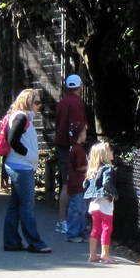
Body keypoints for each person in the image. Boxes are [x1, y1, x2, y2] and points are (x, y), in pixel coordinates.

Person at [0, 88, 51, 253]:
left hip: (18, 165)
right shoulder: (21, 116)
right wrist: (28, 154)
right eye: (36, 102)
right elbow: (13, 140)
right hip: (21, 166)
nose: (39, 106)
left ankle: (11, 241)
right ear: (27, 102)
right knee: (27, 206)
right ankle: (35, 243)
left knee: (15, 205)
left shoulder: (20, 116)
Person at [55, 74, 87, 221]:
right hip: (72, 146)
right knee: (74, 184)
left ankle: (62, 220)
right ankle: (72, 221)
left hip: (61, 146)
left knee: (66, 183)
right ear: (80, 87)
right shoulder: (77, 103)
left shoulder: (61, 103)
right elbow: (77, 126)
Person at [84, 141, 117, 264]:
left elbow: (85, 184)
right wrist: (113, 194)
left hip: (93, 203)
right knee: (107, 228)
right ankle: (105, 254)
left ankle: (92, 255)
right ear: (104, 154)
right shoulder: (108, 168)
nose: (112, 151)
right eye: (109, 150)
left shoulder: (93, 170)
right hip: (105, 202)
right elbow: (106, 183)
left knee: (95, 228)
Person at [59, 124, 89, 243]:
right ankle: (72, 234)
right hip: (77, 184)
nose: (86, 135)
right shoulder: (78, 149)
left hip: (78, 184)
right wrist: (91, 167)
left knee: (81, 209)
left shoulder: (77, 148)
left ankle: (80, 232)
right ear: (80, 135)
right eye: (84, 132)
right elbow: (79, 167)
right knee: (76, 210)